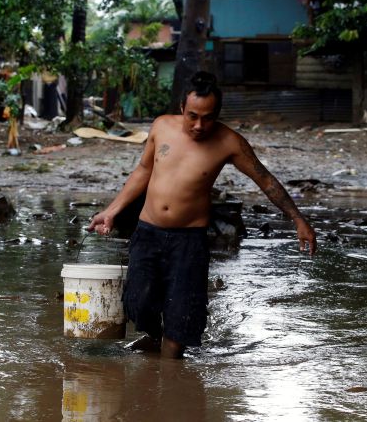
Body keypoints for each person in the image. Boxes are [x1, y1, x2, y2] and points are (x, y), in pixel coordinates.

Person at [88, 71, 316, 358]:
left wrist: (297, 219)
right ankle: (154, 340)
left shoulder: (229, 142)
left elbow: (266, 180)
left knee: (181, 319)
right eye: (192, 115)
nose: (199, 125)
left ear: (217, 114)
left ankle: (170, 382)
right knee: (139, 303)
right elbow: (143, 170)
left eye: (208, 117)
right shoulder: (161, 126)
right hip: (147, 232)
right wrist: (111, 211)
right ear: (182, 108)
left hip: (188, 241)